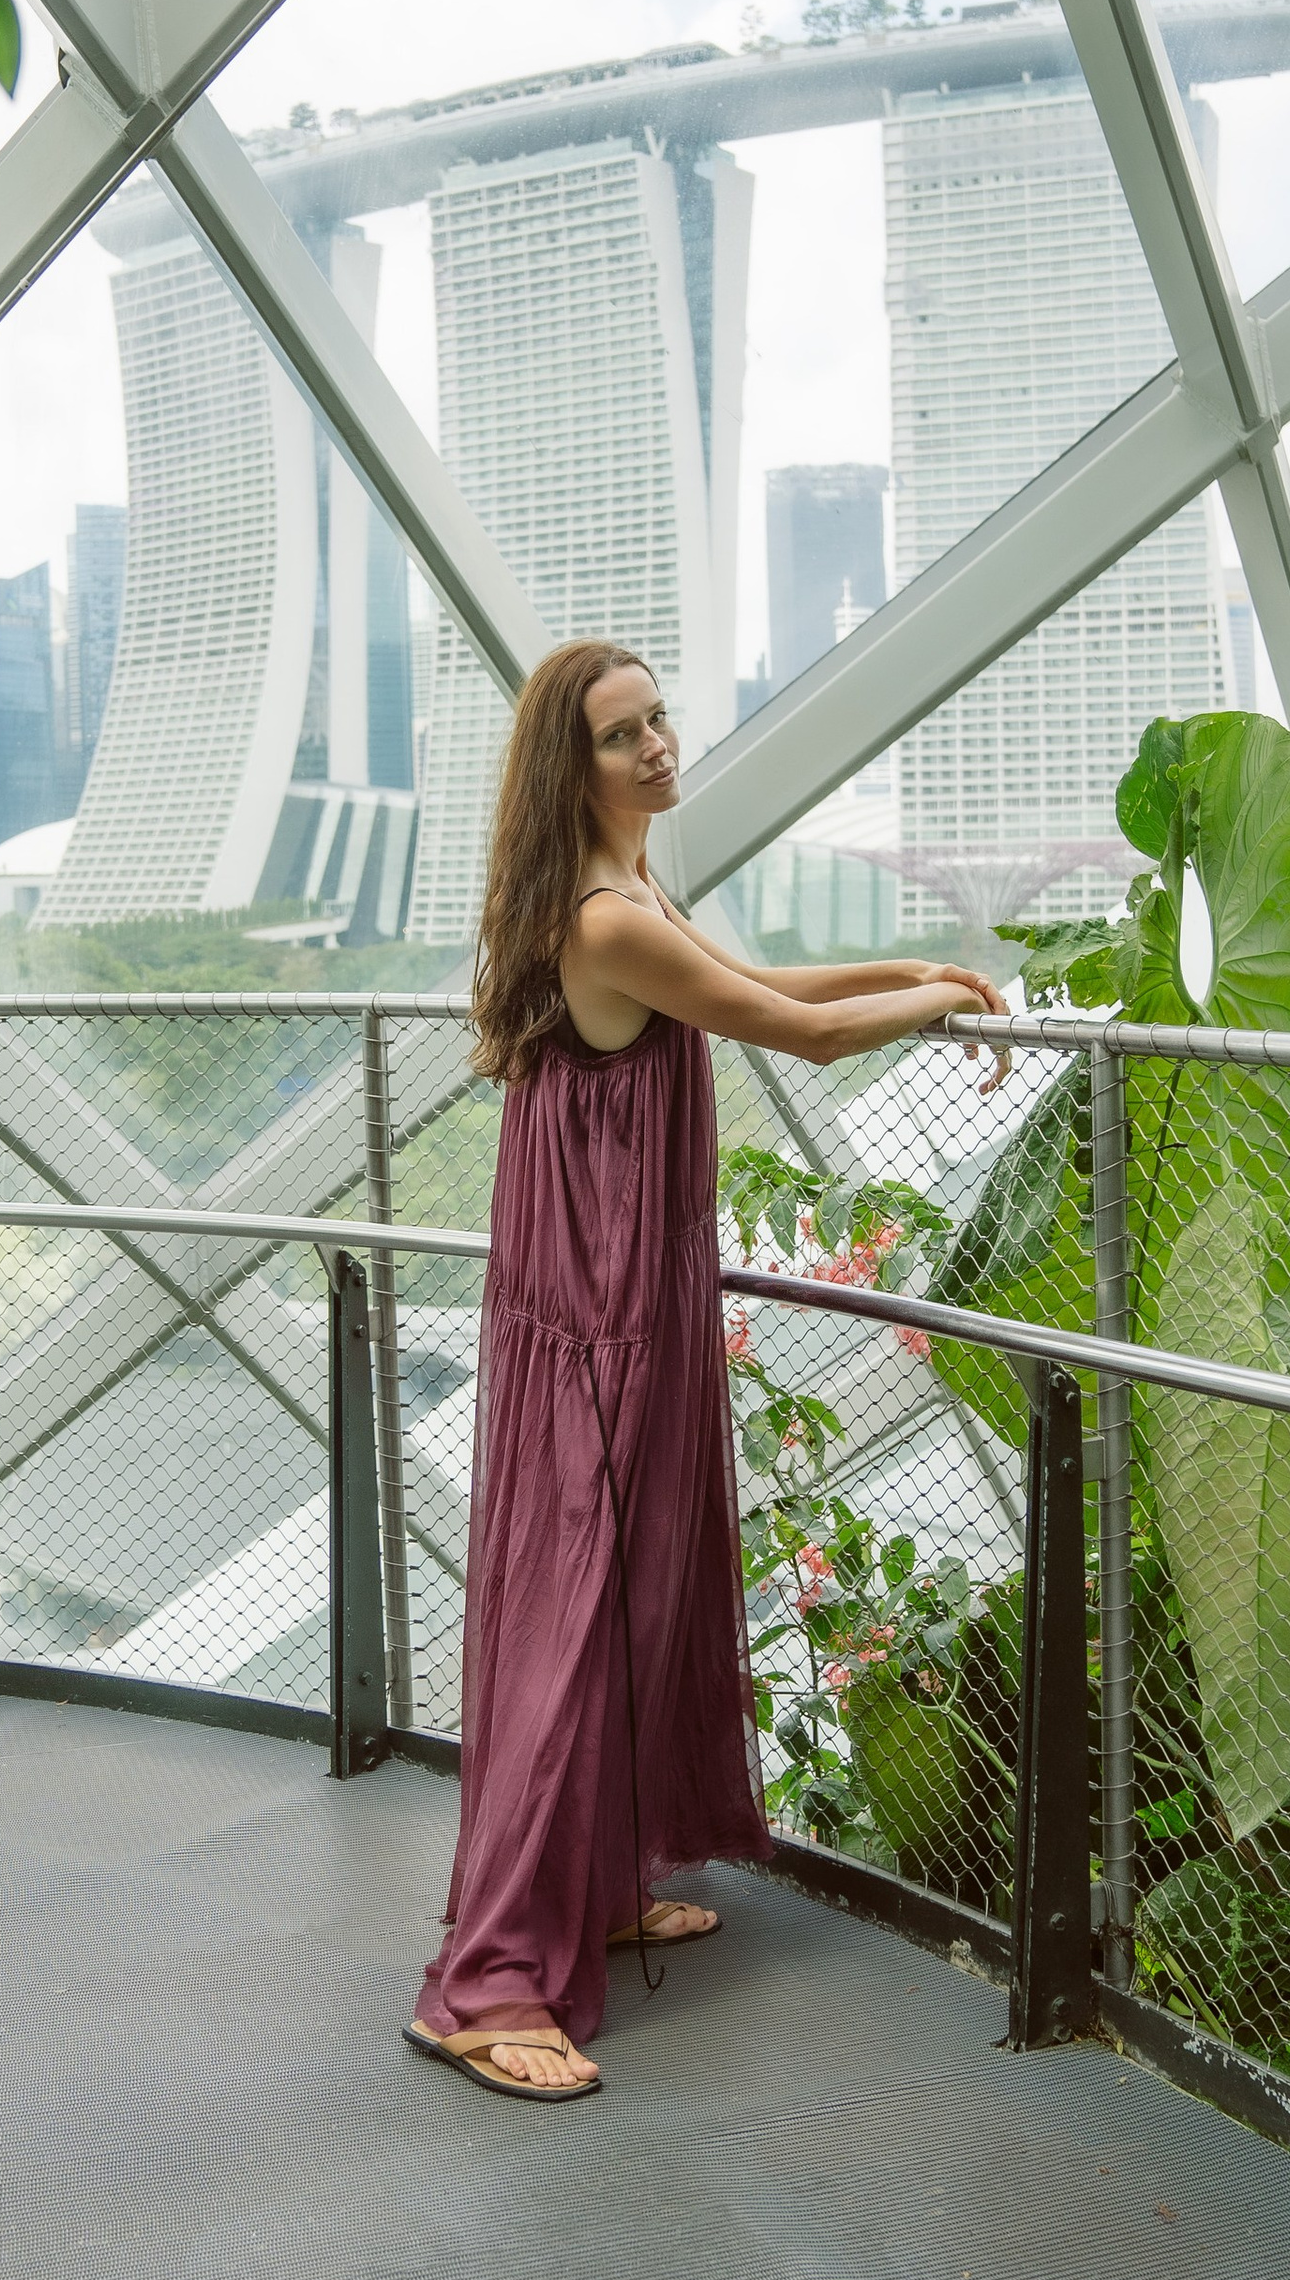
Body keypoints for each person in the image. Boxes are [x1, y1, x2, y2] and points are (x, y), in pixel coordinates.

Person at [403, 638, 1010, 2099]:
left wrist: (918, 967)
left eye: (659, 719)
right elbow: (793, 1035)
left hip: (616, 1305)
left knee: (627, 1610)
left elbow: (746, 978)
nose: (659, 746)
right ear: (575, 769)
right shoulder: (603, 918)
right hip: (601, 1327)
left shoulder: (619, 896)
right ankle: (483, 1987)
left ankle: (596, 1889)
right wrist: (938, 1003)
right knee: (573, 1634)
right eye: (623, 736)